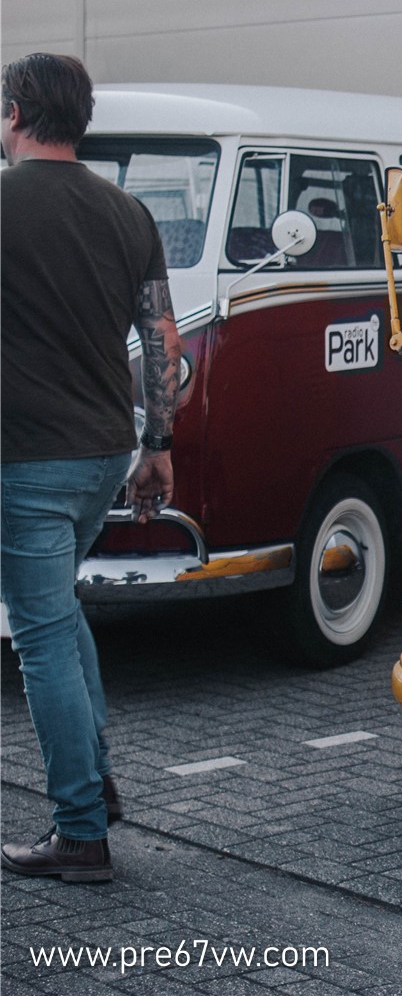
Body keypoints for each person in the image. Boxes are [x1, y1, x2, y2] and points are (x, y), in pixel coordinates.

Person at [1, 52, 181, 883]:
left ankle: (79, 831)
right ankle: (96, 785)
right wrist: (159, 445)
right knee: (59, 615)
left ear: (15, 112)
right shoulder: (128, 211)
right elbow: (162, 340)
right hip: (107, 448)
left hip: (26, 455)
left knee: (38, 635)